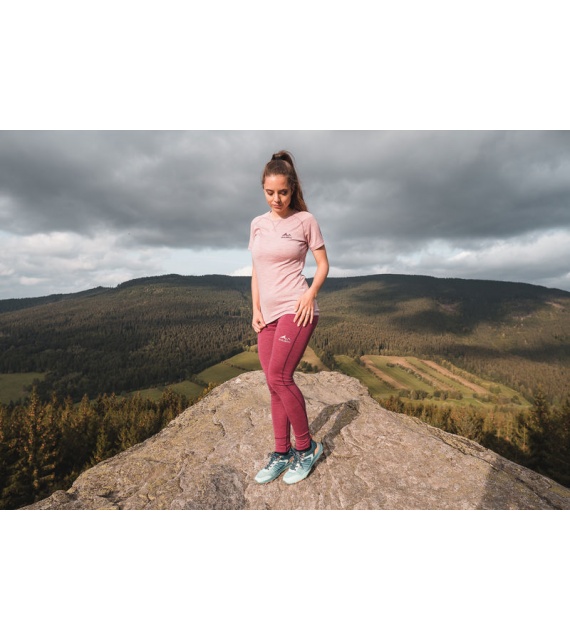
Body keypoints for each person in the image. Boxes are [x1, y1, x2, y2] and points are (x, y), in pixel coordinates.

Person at [249, 150, 329, 485]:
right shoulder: (257, 224)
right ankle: (282, 453)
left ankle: (307, 448)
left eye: (282, 192)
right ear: (263, 189)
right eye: (270, 192)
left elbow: (323, 264)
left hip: (296, 308)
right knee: (272, 384)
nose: (276, 199)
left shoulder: (305, 221)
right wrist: (255, 310)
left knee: (280, 377)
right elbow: (257, 270)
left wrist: (310, 294)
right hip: (266, 314)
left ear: (292, 188)